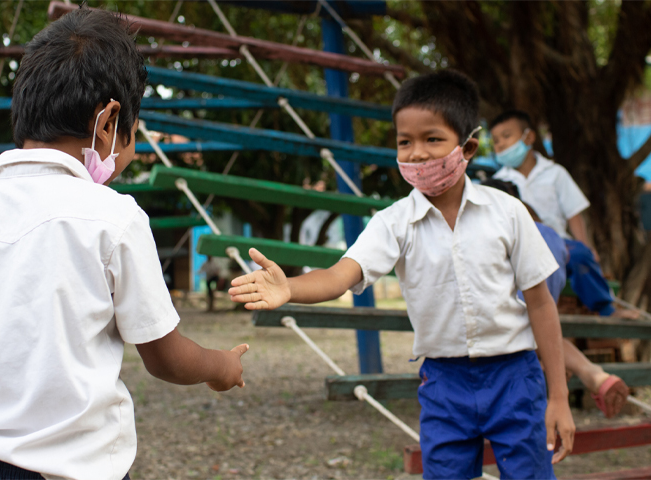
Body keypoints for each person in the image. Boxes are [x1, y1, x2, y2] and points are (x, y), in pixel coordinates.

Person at [229, 70, 575, 479]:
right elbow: (342, 274)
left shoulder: (508, 213)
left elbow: (540, 303)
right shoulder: (394, 223)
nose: (416, 154)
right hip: (444, 384)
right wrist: (290, 288)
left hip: (514, 375)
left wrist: (559, 396)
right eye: (404, 142)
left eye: (432, 139)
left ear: (467, 147)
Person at [0, 8, 248, 480]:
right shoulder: (113, 218)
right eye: (133, 137)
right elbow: (164, 355)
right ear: (108, 122)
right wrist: (218, 365)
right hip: (66, 469)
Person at [483, 180, 630, 419]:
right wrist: (605, 306)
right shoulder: (551, 234)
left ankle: (579, 373)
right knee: (542, 330)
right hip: (547, 295)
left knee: (525, 334)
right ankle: (592, 373)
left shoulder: (498, 228)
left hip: (511, 314)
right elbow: (581, 256)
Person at [491, 110, 634, 319]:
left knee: (581, 256)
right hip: (518, 247)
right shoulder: (497, 182)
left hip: (559, 243)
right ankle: (520, 315)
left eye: (506, 136)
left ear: (528, 137)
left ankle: (606, 308)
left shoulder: (555, 173)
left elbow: (573, 213)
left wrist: (585, 244)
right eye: (495, 140)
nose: (500, 144)